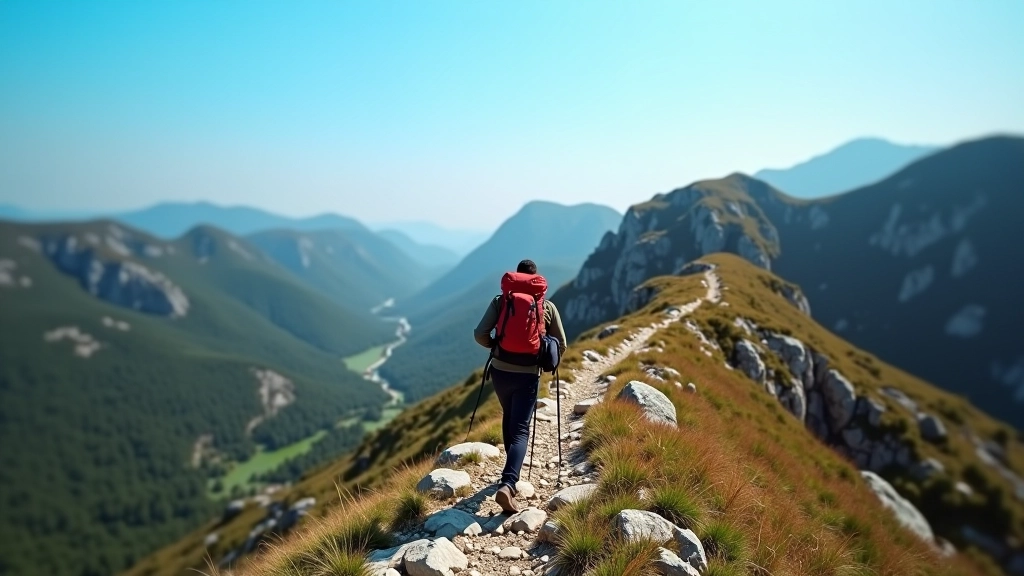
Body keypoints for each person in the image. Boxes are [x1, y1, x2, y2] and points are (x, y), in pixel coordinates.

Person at [473, 259, 567, 514]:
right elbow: (561, 343)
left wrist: (496, 345)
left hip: (501, 371)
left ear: (515, 277)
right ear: (536, 280)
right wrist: (545, 357)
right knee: (521, 430)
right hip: (528, 375)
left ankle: (508, 471)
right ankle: (508, 483)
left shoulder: (501, 301)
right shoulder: (546, 306)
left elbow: (480, 333)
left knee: (509, 416)